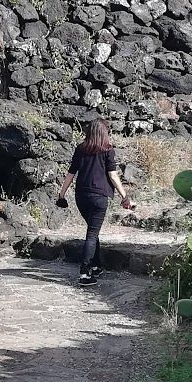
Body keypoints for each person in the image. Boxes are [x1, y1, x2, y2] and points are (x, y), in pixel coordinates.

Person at [55, 118, 133, 285]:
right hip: (99, 197)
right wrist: (124, 196)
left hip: (81, 196)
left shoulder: (80, 149)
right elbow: (113, 175)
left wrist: (61, 195)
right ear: (105, 133)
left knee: (92, 231)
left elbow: (71, 174)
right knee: (92, 234)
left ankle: (96, 266)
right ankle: (84, 273)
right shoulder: (108, 150)